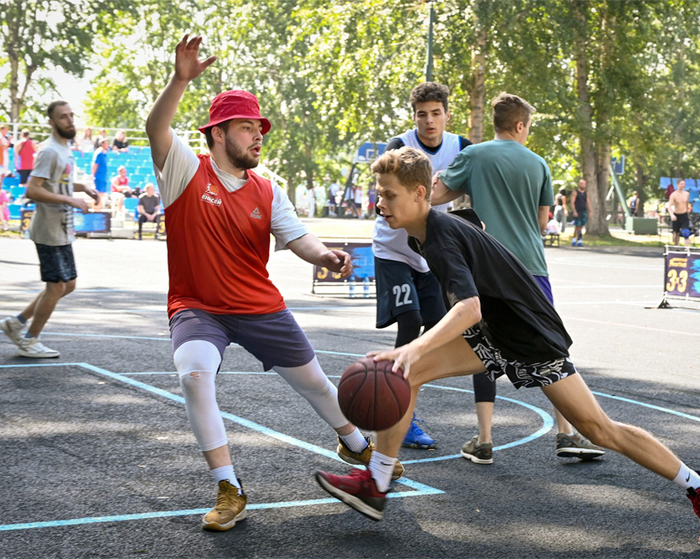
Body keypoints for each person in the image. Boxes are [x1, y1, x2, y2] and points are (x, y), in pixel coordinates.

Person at [315, 147, 700, 547]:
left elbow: (470, 308)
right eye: (378, 193)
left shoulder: (438, 237)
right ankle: (377, 483)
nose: (379, 203)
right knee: (405, 375)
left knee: (598, 429)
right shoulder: (425, 233)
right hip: (498, 332)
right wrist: (415, 353)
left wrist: (414, 345)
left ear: (420, 193)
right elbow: (478, 251)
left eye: (389, 195)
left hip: (527, 336)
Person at [144, 35, 398, 532]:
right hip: (199, 307)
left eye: (260, 128)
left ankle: (355, 444)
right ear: (217, 133)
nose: (258, 136)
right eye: (246, 127)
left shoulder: (268, 187)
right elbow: (156, 126)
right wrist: (180, 80)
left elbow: (297, 238)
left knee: (318, 387)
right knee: (193, 374)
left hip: (259, 307)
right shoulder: (182, 171)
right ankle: (230, 488)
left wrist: (325, 254)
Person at [431, 92, 602, 464]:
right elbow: (543, 221)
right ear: (520, 125)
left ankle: (485, 439)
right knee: (550, 350)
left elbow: (435, 195)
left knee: (483, 349)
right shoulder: (539, 164)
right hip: (530, 267)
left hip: (486, 267)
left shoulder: (474, 156)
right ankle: (566, 433)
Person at [373, 82, 473, 450]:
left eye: (435, 113)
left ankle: (404, 401)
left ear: (447, 114)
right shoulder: (399, 146)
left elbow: (475, 190)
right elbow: (381, 196)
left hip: (430, 253)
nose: (429, 121)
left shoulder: (463, 148)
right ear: (413, 116)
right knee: (410, 322)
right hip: (393, 251)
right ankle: (401, 416)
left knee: (438, 328)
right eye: (421, 114)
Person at [0, 101, 100, 358]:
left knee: (68, 285)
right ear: (51, 122)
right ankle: (30, 340)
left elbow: (58, 183)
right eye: (63, 117)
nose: (69, 121)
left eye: (71, 115)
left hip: (62, 228)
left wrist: (82, 188)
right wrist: (70, 199)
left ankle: (16, 323)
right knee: (56, 286)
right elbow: (32, 189)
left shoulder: (64, 148)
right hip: (48, 229)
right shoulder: (49, 151)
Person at [667, 179, 691, 247]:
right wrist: (672, 215)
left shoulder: (686, 194)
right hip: (677, 215)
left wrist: (688, 214)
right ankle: (676, 246)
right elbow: (669, 206)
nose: (683, 185)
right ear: (677, 185)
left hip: (684, 214)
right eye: (681, 184)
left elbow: (687, 204)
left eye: (684, 184)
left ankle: (686, 248)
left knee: (686, 232)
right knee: (676, 232)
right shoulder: (673, 195)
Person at [570, 179, 590, 246]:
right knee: (577, 226)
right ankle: (573, 239)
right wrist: (574, 211)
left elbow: (588, 202)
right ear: (579, 184)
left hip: (583, 210)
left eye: (584, 184)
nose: (583, 185)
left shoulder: (586, 193)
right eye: (582, 184)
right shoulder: (575, 192)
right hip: (577, 210)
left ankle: (580, 240)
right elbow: (572, 202)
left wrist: (590, 211)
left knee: (581, 226)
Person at [91, 138, 109, 209]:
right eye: (106, 143)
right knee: (97, 195)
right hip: (99, 176)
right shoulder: (99, 153)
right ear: (102, 144)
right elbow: (95, 164)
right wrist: (93, 174)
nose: (108, 145)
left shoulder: (105, 153)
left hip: (103, 177)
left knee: (101, 195)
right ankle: (95, 209)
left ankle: (98, 209)